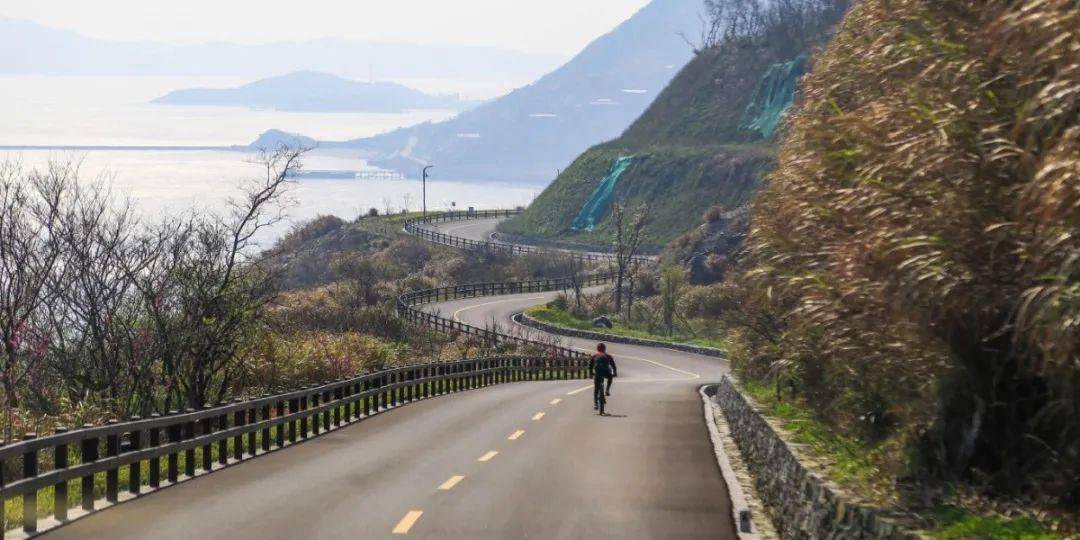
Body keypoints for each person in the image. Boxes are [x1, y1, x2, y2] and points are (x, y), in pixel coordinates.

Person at [590, 343, 617, 414]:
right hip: (605, 372)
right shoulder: (608, 356)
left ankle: (596, 404)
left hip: (598, 373)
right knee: (610, 377)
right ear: (605, 349)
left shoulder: (594, 356)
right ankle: (607, 390)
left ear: (597, 349)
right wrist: (615, 373)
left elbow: (590, 367)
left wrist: (591, 374)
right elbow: (613, 366)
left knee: (596, 388)